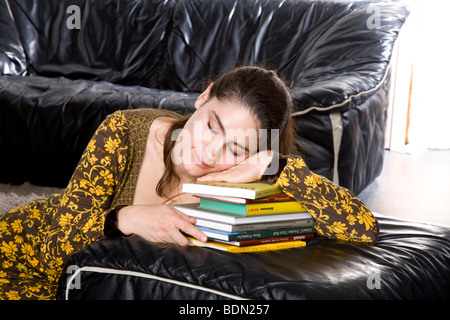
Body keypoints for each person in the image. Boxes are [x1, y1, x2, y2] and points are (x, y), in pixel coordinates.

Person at [0, 66, 379, 300]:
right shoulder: (125, 131)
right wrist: (124, 219)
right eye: (213, 127)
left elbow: (362, 228)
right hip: (22, 251)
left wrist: (281, 169)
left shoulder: (251, 173)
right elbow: (54, 255)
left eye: (236, 148)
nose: (209, 152)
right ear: (203, 97)